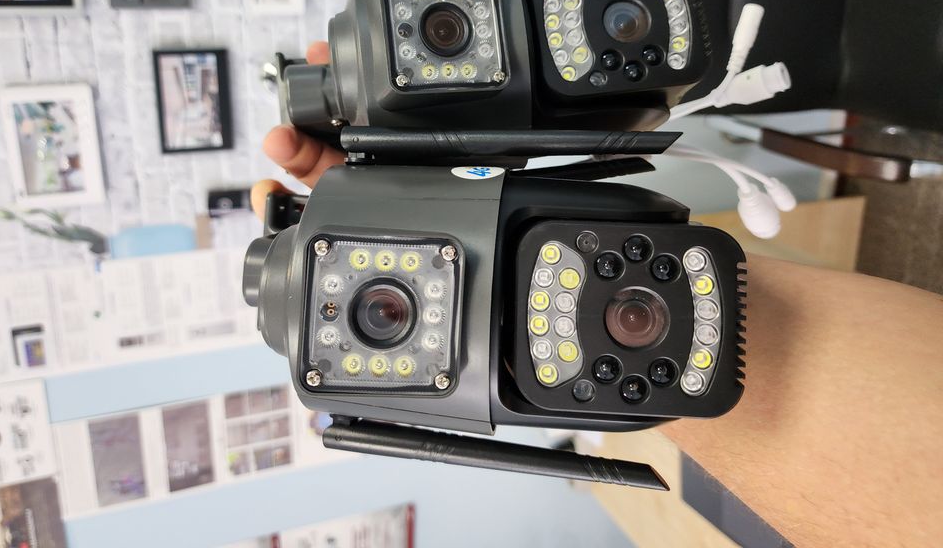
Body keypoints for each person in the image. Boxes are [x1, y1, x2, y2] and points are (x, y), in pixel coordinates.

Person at [250, 42, 943, 548]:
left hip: (624, 346)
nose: (389, 310)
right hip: (621, 351)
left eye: (384, 310)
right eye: (386, 316)